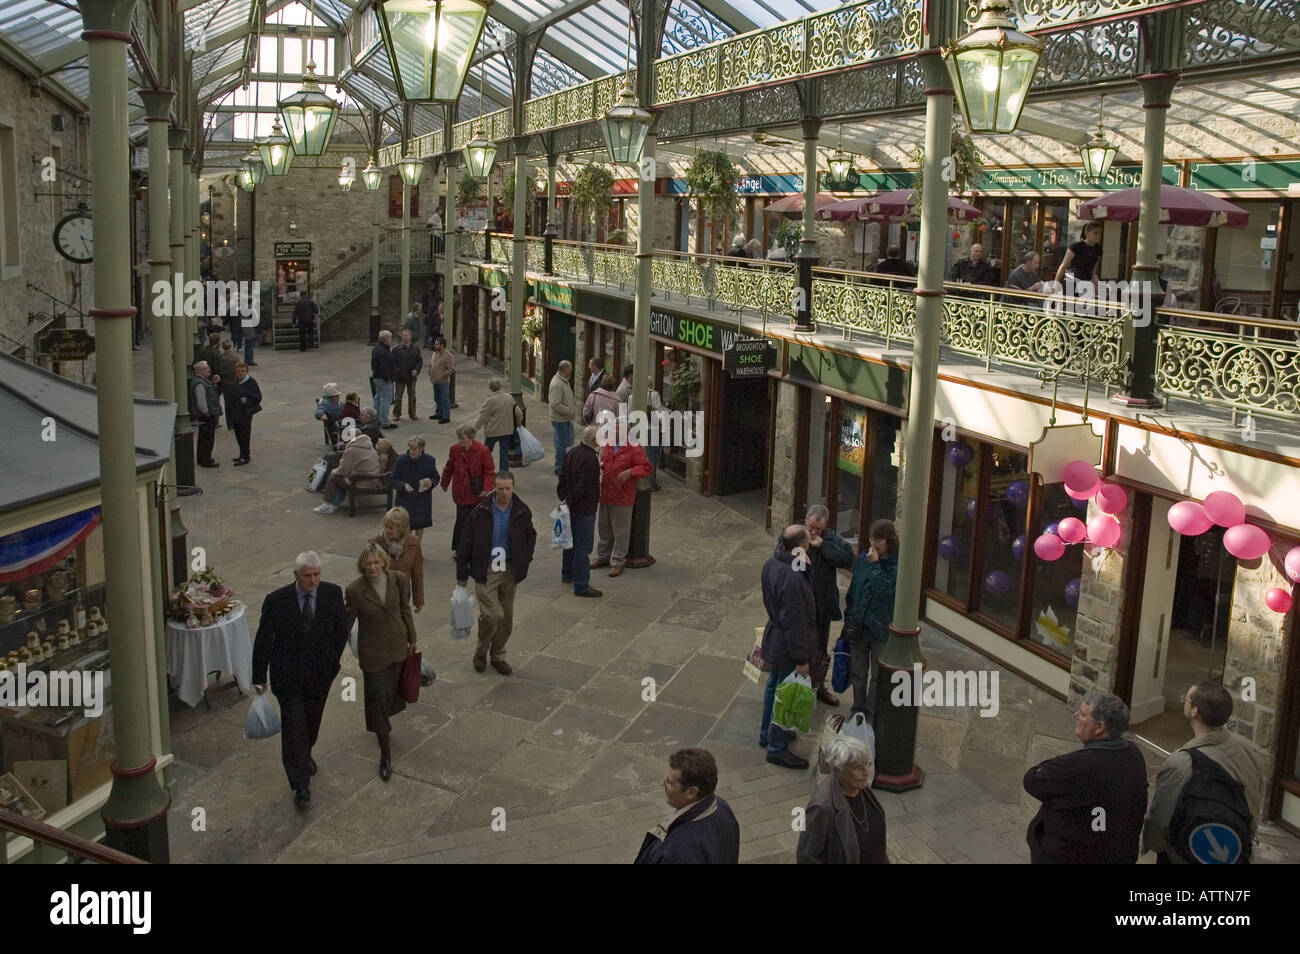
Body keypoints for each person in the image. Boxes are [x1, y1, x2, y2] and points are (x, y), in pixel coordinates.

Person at [251, 551, 350, 807]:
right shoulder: (277, 601)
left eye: (317, 575)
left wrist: (332, 662)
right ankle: (300, 784)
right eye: (307, 576)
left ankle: (305, 754)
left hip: (320, 676)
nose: (313, 581)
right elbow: (264, 640)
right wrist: (259, 676)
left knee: (311, 724)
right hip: (288, 678)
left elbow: (341, 630)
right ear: (296, 575)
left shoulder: (332, 593)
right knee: (294, 729)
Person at [1142, 681, 1263, 864]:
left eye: (1186, 700)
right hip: (1236, 850)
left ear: (1194, 711)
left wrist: (1155, 847)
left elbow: (1159, 823)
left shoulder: (1181, 764)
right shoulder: (1248, 750)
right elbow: (1254, 801)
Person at [1022, 691, 1148, 864]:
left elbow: (1032, 780)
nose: (1076, 716)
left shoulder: (1077, 765)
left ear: (1099, 727)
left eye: (1082, 714)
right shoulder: (1134, 754)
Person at [344, 542, 417, 782]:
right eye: (368, 563)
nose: (373, 567)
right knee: (377, 699)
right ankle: (385, 754)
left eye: (377, 562)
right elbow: (347, 622)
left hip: (397, 647)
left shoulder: (397, 580)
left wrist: (412, 638)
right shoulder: (355, 590)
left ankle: (383, 723)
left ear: (384, 563)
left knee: (390, 696)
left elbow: (405, 610)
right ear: (362, 566)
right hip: (373, 653)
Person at [455, 471, 537, 675]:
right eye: (500, 488)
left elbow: (530, 536)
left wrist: (525, 559)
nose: (504, 493)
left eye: (508, 488)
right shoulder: (481, 510)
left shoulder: (521, 510)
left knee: (506, 617)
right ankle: (481, 650)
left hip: (509, 567)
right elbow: (466, 540)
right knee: (492, 615)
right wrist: (462, 575)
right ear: (494, 488)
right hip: (487, 567)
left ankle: (498, 655)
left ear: (513, 488)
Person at [759, 525, 817, 769]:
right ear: (800, 548)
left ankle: (767, 734)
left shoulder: (772, 564)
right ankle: (777, 747)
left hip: (775, 638)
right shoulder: (791, 579)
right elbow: (795, 622)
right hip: (787, 644)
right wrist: (802, 659)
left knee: (774, 687)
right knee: (787, 696)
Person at [634, 748, 740, 864]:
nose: (663, 784)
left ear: (691, 792)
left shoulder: (675, 852)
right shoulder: (721, 806)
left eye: (670, 783)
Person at [796, 736, 888, 863]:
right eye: (858, 768)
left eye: (868, 764)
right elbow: (806, 856)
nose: (866, 772)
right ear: (839, 770)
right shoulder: (822, 807)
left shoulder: (859, 786)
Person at [843, 519, 898, 721]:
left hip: (880, 629)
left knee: (877, 676)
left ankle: (872, 711)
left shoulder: (895, 565)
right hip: (859, 625)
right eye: (871, 540)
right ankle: (857, 708)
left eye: (879, 541)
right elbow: (854, 587)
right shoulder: (864, 560)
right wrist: (849, 615)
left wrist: (875, 566)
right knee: (858, 672)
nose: (874, 545)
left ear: (888, 541)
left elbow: (886, 591)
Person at [799, 505, 854, 707]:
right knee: (798, 647)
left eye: (818, 529)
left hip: (821, 606)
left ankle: (819, 686)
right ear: (805, 520)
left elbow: (848, 558)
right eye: (811, 527)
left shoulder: (830, 540)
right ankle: (795, 687)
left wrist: (823, 545)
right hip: (800, 605)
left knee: (820, 649)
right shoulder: (796, 535)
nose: (814, 532)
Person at [592, 434, 652, 577]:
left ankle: (618, 561)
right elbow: (603, 460)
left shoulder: (634, 448)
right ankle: (603, 556)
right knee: (604, 527)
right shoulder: (607, 445)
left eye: (617, 431)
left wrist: (631, 472)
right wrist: (601, 465)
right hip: (606, 493)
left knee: (621, 531)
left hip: (622, 495)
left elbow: (647, 468)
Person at [557, 424, 602, 598]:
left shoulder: (572, 452)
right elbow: (584, 485)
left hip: (571, 505)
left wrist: (565, 499)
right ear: (594, 440)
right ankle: (581, 584)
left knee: (569, 542)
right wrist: (571, 500)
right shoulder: (591, 459)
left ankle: (567, 574)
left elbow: (562, 477)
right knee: (583, 546)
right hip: (584, 508)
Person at [440, 423, 495, 555]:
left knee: (477, 522)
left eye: (463, 438)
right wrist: (444, 482)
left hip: (477, 493)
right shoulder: (454, 450)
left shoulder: (483, 451)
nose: (460, 441)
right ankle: (459, 549)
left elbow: (489, 471)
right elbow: (449, 468)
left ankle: (476, 549)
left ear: (471, 437)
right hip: (460, 493)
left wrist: (487, 488)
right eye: (459, 438)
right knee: (462, 521)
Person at [315, 426, 381, 514]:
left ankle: (328, 505)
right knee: (338, 475)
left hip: (361, 481)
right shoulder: (368, 445)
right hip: (373, 478)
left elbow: (343, 471)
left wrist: (336, 470)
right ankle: (337, 500)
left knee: (333, 475)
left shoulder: (352, 450)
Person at [372, 507, 425, 613]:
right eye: (386, 527)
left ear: (401, 528)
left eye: (391, 528)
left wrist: (418, 600)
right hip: (381, 594)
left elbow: (417, 573)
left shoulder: (413, 542)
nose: (387, 530)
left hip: (403, 594)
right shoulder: (377, 542)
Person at [391, 436, 438, 540]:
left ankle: (417, 550)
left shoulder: (429, 460)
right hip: (405, 499)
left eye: (414, 449)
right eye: (410, 448)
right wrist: (403, 485)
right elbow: (393, 480)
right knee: (405, 527)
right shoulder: (401, 460)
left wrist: (431, 483)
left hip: (421, 499)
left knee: (420, 526)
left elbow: (435, 477)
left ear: (421, 449)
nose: (412, 451)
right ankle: (406, 549)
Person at [475, 377, 521, 473]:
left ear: (490, 387)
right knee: (504, 453)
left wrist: (474, 429)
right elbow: (518, 413)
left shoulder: (490, 400)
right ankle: (503, 474)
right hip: (507, 430)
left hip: (493, 431)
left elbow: (482, 416)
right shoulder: (509, 397)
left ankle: (482, 469)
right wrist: (518, 424)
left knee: (486, 451)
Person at [226, 361, 261, 466]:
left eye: (243, 371)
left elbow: (258, 397)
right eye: (238, 371)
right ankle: (242, 454)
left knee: (244, 435)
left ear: (246, 372)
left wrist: (247, 400)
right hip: (236, 412)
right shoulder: (236, 381)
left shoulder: (251, 382)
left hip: (245, 413)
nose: (240, 373)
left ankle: (245, 456)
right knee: (238, 435)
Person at [1055, 222, 1104, 293]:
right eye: (1095, 233)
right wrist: (1056, 284)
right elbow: (1063, 266)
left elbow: (1093, 270)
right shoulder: (1076, 247)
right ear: (1087, 233)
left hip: (1086, 283)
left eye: (1100, 233)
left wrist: (1097, 285)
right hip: (1072, 281)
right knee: (1070, 303)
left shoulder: (1098, 249)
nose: (1098, 236)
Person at [548, 360, 577, 476]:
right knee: (561, 445)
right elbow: (555, 404)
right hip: (560, 419)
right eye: (570, 368)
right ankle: (560, 469)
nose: (572, 370)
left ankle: (563, 466)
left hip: (565, 418)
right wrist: (568, 411)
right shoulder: (557, 384)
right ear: (565, 369)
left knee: (565, 443)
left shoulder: (563, 381)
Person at [191, 360, 222, 469]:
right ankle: (206, 459)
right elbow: (201, 402)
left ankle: (202, 458)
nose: (209, 370)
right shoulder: (199, 384)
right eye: (206, 368)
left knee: (204, 437)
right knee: (207, 438)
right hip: (207, 415)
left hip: (207, 414)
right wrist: (207, 413)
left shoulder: (201, 381)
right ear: (200, 370)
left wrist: (213, 382)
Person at [391, 329, 423, 422]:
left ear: (410, 336)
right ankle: (396, 413)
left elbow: (419, 361)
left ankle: (412, 413)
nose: (405, 337)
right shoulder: (396, 349)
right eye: (403, 336)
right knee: (398, 396)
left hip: (411, 377)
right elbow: (393, 363)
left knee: (412, 395)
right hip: (400, 377)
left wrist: (416, 370)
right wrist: (397, 371)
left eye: (407, 335)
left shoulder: (416, 348)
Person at [371, 330, 398, 428]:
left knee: (378, 398)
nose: (391, 340)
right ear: (386, 339)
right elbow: (385, 368)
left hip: (376, 378)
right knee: (385, 401)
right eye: (390, 338)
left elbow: (373, 365)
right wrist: (389, 378)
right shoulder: (384, 352)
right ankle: (385, 422)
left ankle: (378, 419)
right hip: (384, 379)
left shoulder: (376, 349)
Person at [427, 335, 454, 423]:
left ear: (442, 345)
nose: (435, 345)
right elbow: (431, 364)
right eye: (435, 344)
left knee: (444, 399)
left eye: (437, 344)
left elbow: (451, 369)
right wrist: (430, 371)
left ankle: (446, 416)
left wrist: (442, 375)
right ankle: (439, 413)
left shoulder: (448, 356)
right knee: (437, 398)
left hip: (443, 381)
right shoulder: (434, 353)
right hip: (435, 380)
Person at [646, 382, 664, 492]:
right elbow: (659, 412)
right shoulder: (655, 395)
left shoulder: (632, 395)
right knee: (652, 455)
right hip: (652, 428)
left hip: (638, 429)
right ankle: (651, 483)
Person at [217, 339, 240, 412]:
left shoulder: (221, 357)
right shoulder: (236, 357)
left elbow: (220, 370)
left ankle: (229, 421)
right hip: (234, 381)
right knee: (236, 402)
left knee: (227, 403)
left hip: (225, 382)